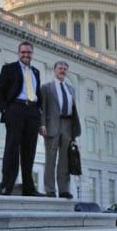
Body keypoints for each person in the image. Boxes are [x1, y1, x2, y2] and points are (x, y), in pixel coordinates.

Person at [0, 41, 45, 197]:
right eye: (23, 52)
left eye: (28, 52)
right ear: (18, 53)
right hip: (15, 109)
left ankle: (28, 188)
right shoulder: (9, 69)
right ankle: (7, 185)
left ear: (32, 54)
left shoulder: (36, 72)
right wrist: (5, 110)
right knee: (12, 148)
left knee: (29, 151)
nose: (26, 55)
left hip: (33, 112)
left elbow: (38, 94)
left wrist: (39, 115)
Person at [40, 61, 81, 199]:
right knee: (50, 159)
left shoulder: (71, 89)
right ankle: (50, 189)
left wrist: (75, 129)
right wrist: (42, 124)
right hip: (52, 125)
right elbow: (42, 107)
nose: (62, 70)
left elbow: (73, 109)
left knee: (65, 161)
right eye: (60, 68)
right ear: (54, 70)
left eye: (65, 69)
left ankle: (64, 189)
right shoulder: (46, 88)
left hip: (68, 126)